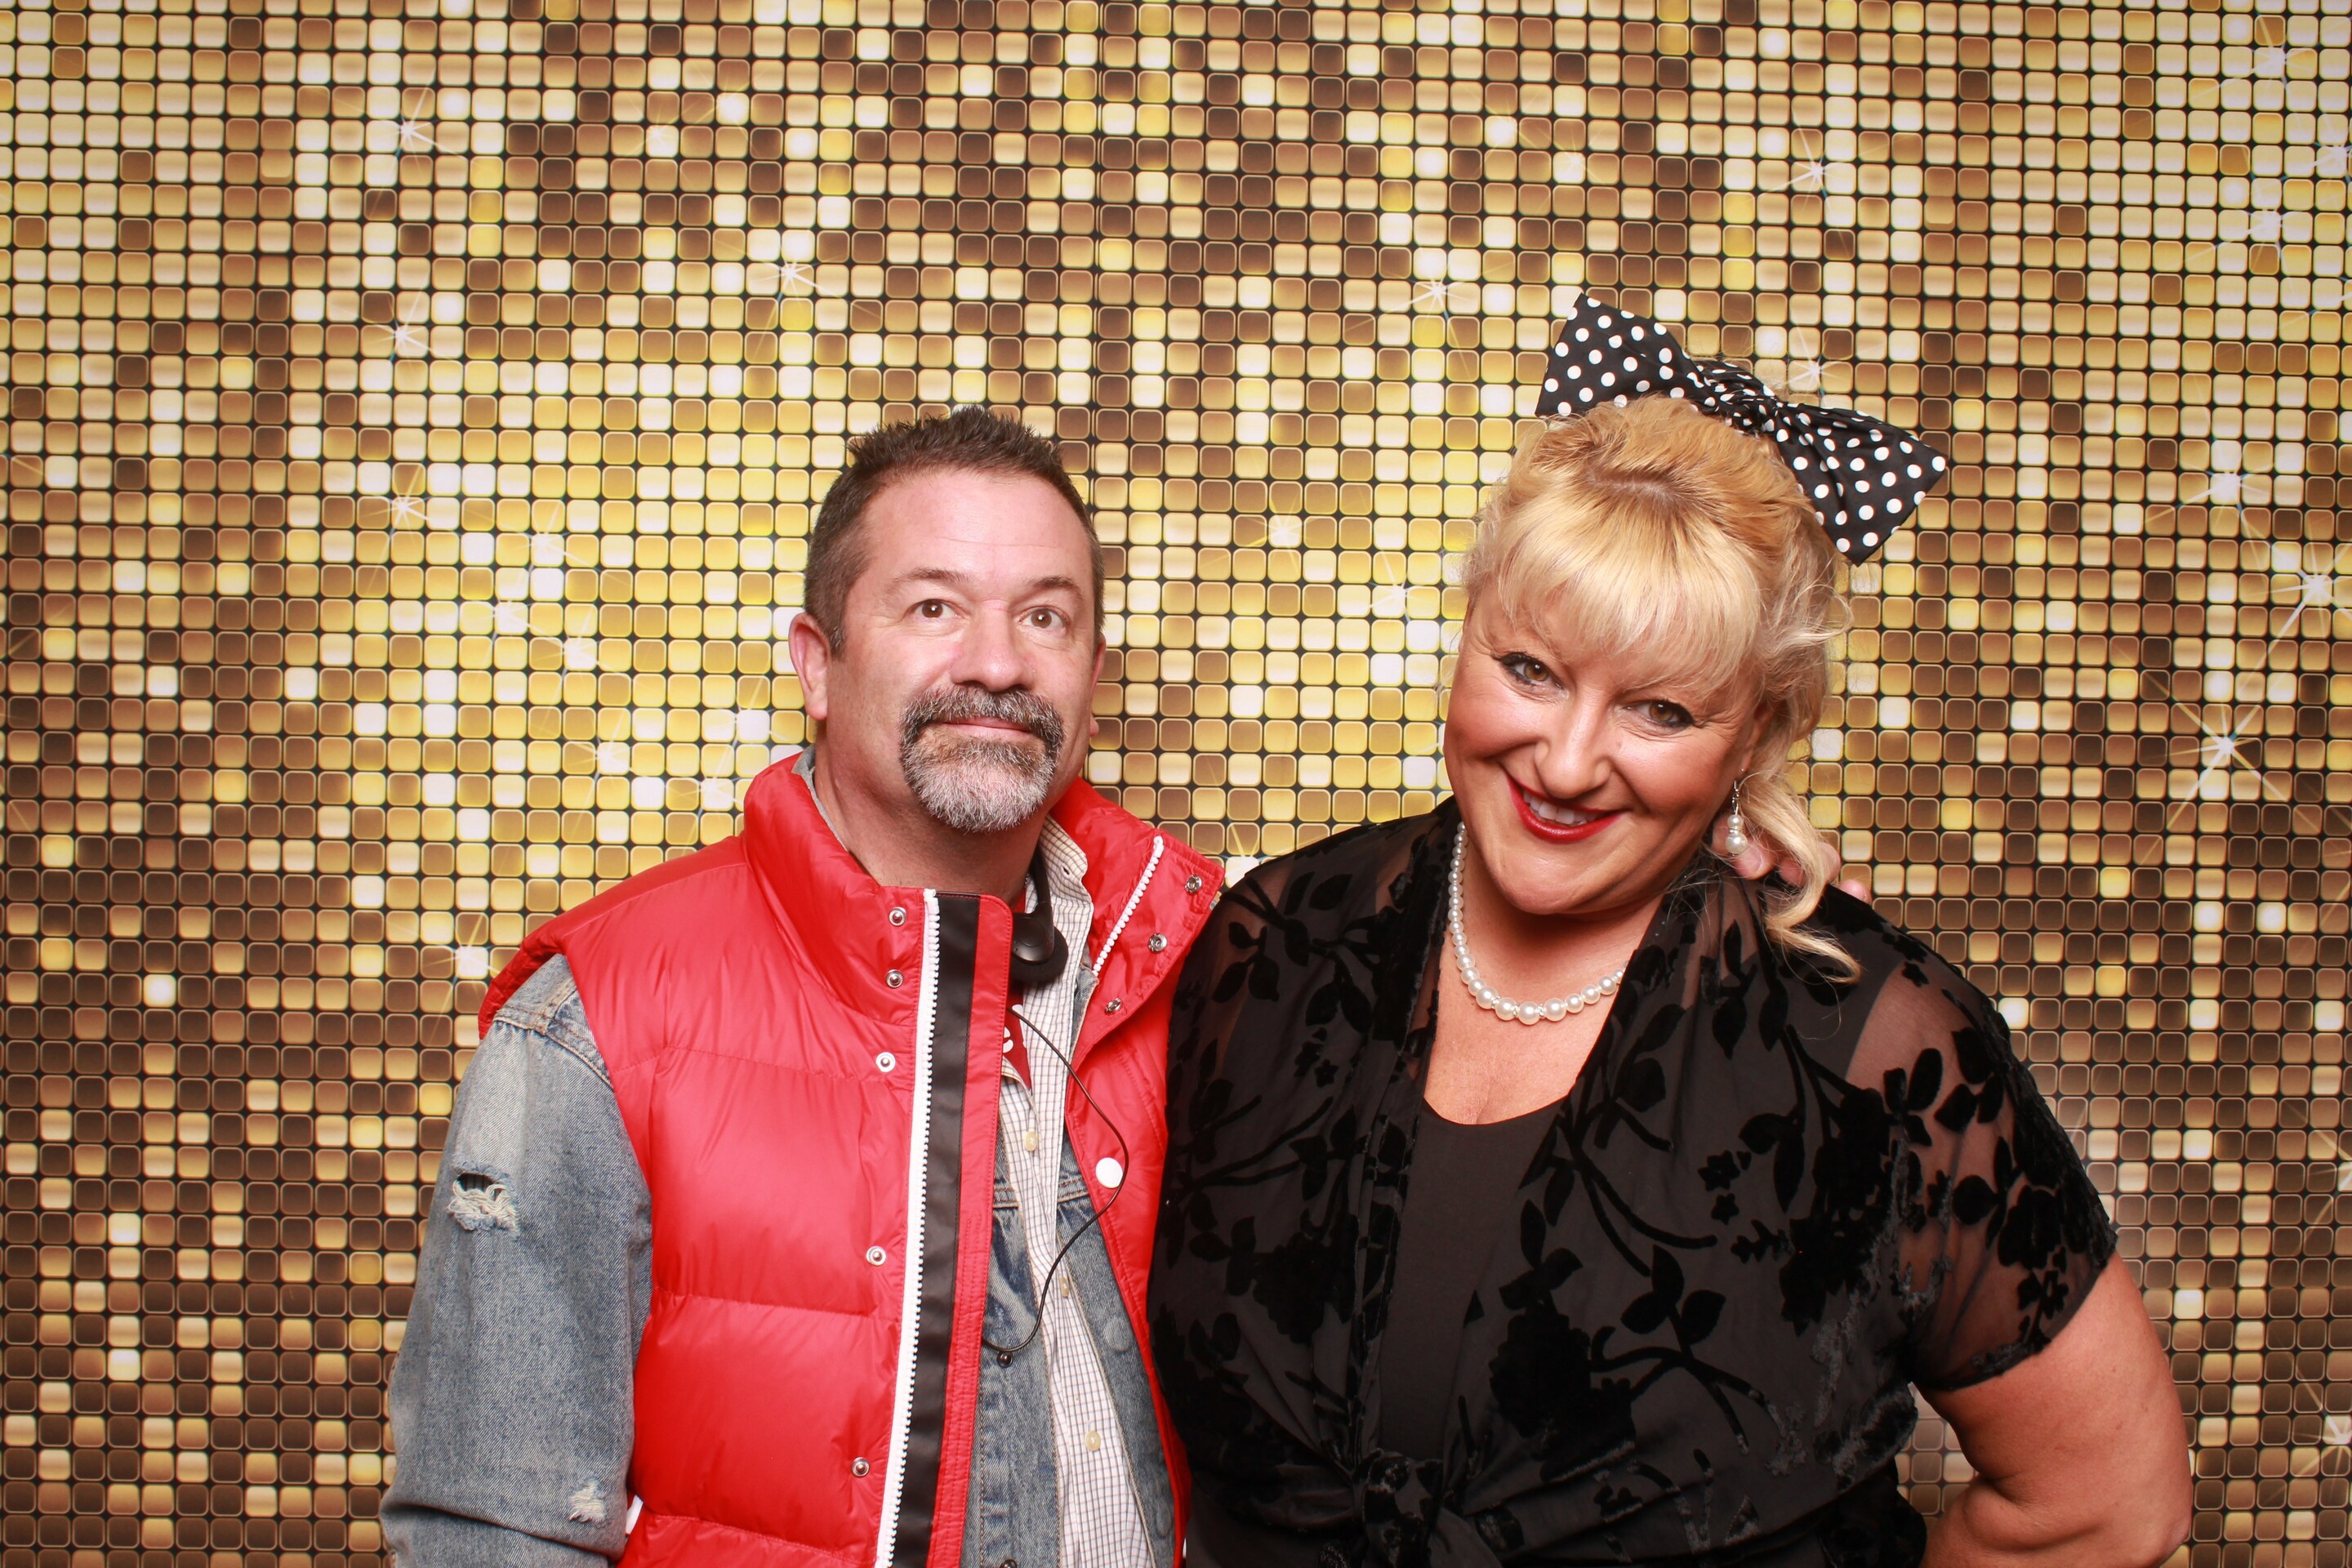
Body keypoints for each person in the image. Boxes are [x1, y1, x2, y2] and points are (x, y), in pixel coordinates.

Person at [1149, 300, 2192, 1568]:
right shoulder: (1273, 947)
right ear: (1466, 633)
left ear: (1756, 734)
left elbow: (2105, 1504)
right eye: (1530, 669)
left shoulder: (1873, 1051)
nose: (1567, 762)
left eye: (1659, 710)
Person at [383, 406, 1227, 1567]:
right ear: (818, 665)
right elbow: (493, 1528)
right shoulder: (597, 1021)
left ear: (1092, 675)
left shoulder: (1197, 975)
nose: (997, 662)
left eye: (1046, 616)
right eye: (934, 608)